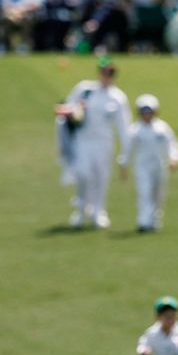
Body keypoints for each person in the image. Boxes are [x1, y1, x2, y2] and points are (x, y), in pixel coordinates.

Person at [56, 57, 131, 228]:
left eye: (110, 73)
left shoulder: (117, 97)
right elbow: (67, 108)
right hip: (83, 140)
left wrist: (125, 154)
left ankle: (99, 212)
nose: (107, 76)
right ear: (99, 72)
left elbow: (123, 126)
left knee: (101, 177)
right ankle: (81, 210)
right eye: (104, 72)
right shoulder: (85, 89)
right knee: (83, 174)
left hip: (104, 142)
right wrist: (73, 112)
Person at [119, 94, 178, 232]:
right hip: (142, 167)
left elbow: (172, 144)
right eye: (144, 112)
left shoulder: (162, 128)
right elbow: (127, 149)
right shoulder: (135, 130)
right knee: (144, 192)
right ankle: (143, 221)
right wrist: (124, 165)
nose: (147, 115)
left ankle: (155, 221)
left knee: (158, 194)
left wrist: (174, 158)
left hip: (160, 166)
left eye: (149, 111)